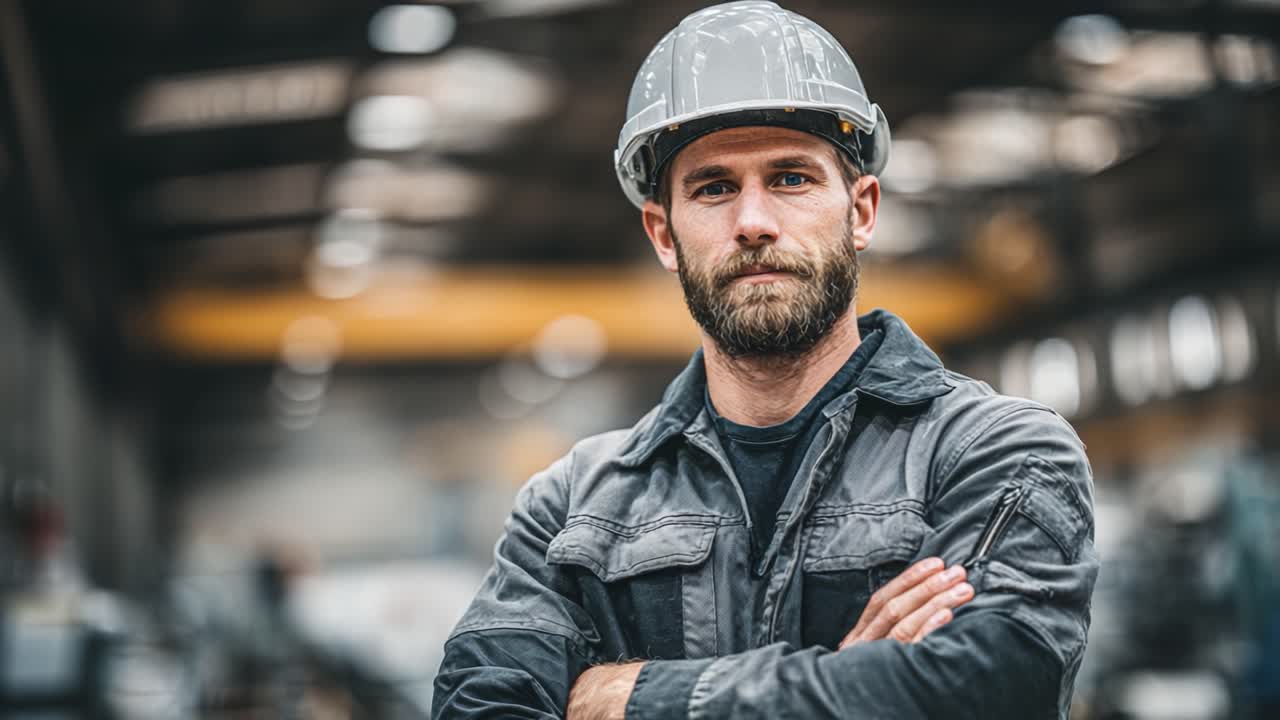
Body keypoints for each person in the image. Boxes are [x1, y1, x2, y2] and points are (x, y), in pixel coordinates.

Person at [432, 2, 1098, 718]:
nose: (753, 222)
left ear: (862, 210)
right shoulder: (569, 509)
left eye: (791, 178)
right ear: (663, 233)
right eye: (714, 187)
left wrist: (639, 697)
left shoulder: (996, 453)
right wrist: (854, 687)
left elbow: (986, 689)